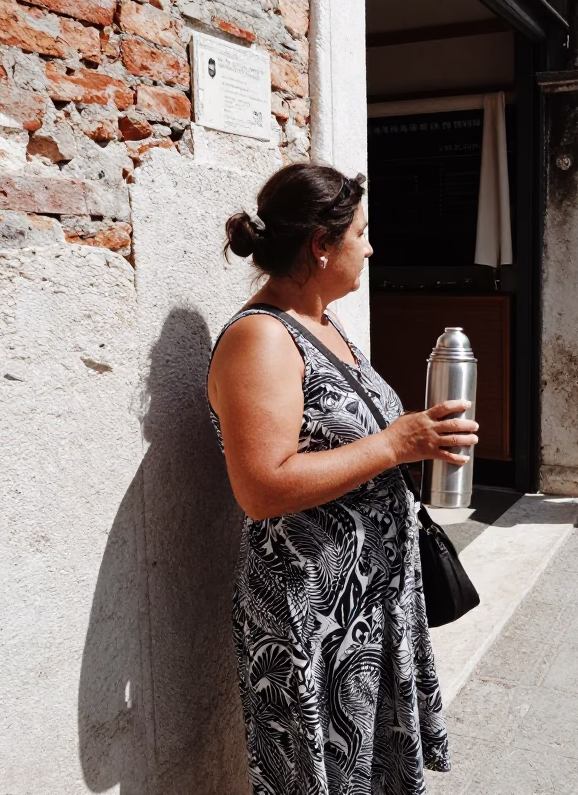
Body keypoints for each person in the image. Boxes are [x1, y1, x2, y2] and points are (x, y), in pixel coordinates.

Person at [207, 164, 479, 792]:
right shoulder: (261, 339)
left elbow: (345, 446)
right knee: (319, 774)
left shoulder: (323, 323)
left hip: (367, 602)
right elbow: (260, 488)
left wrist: (419, 442)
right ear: (321, 246)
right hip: (311, 615)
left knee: (371, 771)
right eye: (361, 232)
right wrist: (395, 442)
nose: (371, 246)